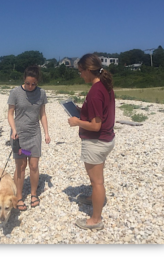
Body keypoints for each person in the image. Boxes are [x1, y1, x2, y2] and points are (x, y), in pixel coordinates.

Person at [67, 54, 115, 230]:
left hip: (96, 142)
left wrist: (77, 122)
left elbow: (95, 125)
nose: (80, 75)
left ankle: (95, 220)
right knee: (98, 178)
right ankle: (94, 198)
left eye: (81, 71)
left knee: (97, 182)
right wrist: (82, 111)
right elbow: (99, 113)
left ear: (88, 70)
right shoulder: (105, 86)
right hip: (107, 139)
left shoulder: (95, 91)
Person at [7, 65, 51, 211]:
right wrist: (13, 130)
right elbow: (10, 114)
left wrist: (46, 133)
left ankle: (33, 194)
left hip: (34, 135)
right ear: (24, 80)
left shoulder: (41, 93)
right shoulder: (15, 92)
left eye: (34, 84)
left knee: (33, 165)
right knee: (21, 166)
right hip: (19, 136)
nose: (31, 86)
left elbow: (42, 114)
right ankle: (18, 196)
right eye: (28, 83)